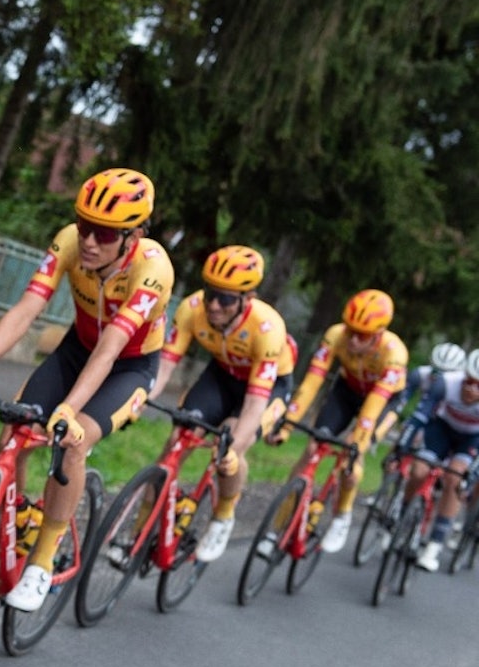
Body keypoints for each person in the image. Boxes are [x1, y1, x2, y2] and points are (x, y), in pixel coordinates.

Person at [0, 168, 174, 611]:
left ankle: (41, 562)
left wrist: (69, 410)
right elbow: (27, 309)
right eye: (84, 226)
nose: (89, 241)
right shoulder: (68, 242)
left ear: (133, 235)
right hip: (75, 350)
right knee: (14, 429)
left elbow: (113, 347)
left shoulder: (152, 270)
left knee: (73, 438)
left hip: (128, 366)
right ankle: (19, 517)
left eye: (104, 233)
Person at [148, 245, 295, 563]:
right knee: (177, 439)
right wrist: (139, 398)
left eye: (226, 299)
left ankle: (224, 515)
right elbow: (164, 366)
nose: (214, 305)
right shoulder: (192, 308)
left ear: (248, 298)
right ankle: (137, 534)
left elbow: (256, 403)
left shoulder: (267, 329)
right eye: (210, 293)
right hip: (222, 374)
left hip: (266, 390)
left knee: (228, 443)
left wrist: (234, 446)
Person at [265, 289, 408, 554]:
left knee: (351, 460)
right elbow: (311, 383)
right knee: (312, 448)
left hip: (382, 400)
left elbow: (371, 410)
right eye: (350, 330)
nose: (353, 339)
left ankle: (342, 515)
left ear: (378, 334)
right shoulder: (335, 335)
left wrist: (358, 443)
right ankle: (278, 527)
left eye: (362, 335)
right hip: (347, 390)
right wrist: (286, 424)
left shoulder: (394, 353)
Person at [397, 348, 479, 571]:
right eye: (468, 381)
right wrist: (403, 443)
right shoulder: (446, 382)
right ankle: (402, 518)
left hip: (471, 437)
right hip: (442, 428)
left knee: (454, 479)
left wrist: (473, 472)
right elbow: (420, 416)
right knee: (418, 470)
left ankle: (434, 544)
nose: (471, 389)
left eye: (478, 386)